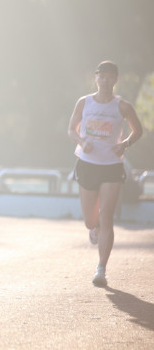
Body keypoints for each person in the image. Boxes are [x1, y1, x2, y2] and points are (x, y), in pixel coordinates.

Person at [67, 61, 143, 287]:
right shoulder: (84, 102)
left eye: (110, 76)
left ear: (116, 80)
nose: (105, 80)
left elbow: (138, 130)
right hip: (88, 164)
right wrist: (82, 142)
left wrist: (125, 144)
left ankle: (101, 268)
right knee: (90, 220)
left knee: (107, 215)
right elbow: (71, 129)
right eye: (102, 76)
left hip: (112, 165)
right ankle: (95, 228)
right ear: (96, 78)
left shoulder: (123, 106)